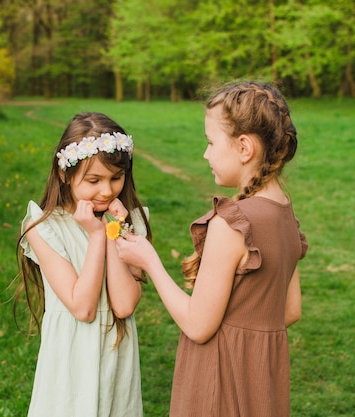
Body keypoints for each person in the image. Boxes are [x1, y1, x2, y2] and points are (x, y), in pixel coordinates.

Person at [115, 81, 308, 417]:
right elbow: (289, 311)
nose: (205, 154)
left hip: (218, 384)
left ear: (244, 147)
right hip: (261, 384)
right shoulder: (285, 214)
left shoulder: (232, 225)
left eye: (210, 142)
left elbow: (198, 326)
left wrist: (150, 261)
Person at [15, 112, 152, 417]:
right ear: (65, 174)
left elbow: (125, 304)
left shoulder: (129, 221)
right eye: (94, 180)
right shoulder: (44, 227)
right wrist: (95, 236)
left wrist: (113, 229)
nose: (107, 191)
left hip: (116, 358)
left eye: (116, 178)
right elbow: (83, 307)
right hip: (69, 358)